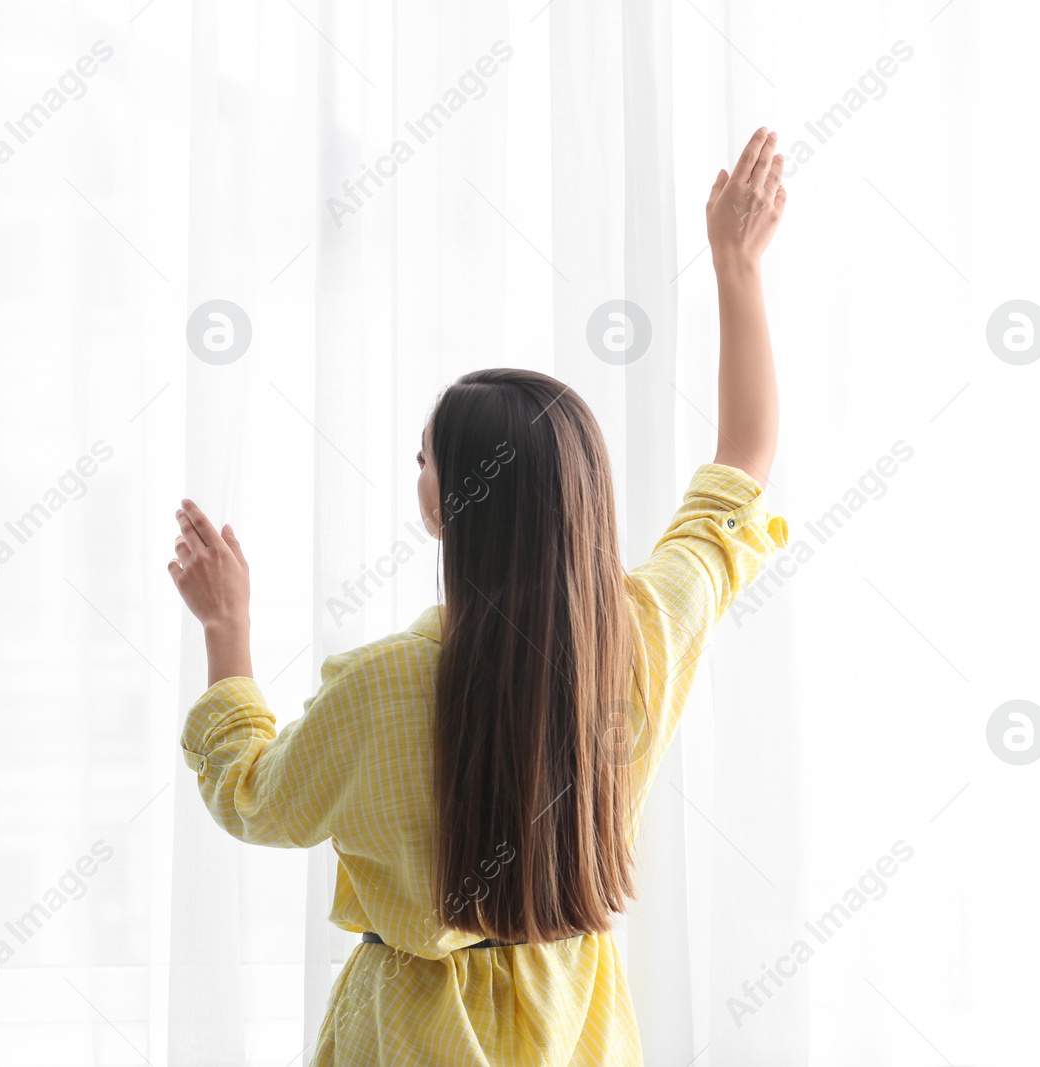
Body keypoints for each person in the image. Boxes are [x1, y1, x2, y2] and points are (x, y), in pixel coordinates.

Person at [167, 127, 789, 1065]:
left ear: (445, 503)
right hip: (577, 1026)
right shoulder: (640, 639)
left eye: (424, 457)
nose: (415, 469)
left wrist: (228, 629)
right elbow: (741, 465)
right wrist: (735, 267)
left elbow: (253, 798)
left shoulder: (378, 689)